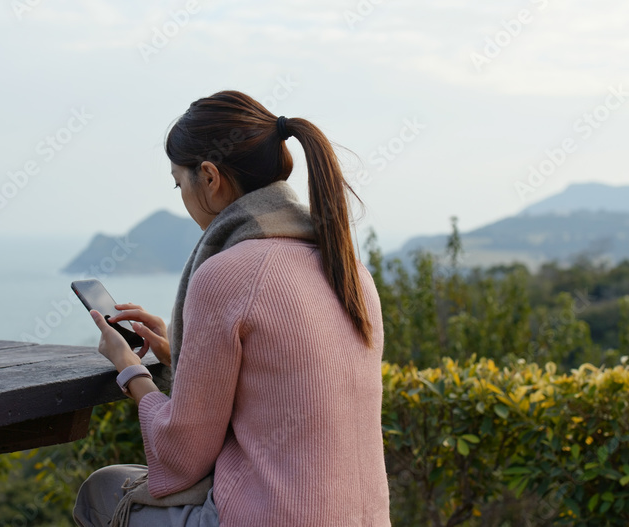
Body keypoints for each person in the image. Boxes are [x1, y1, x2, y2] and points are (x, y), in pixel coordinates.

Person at [72, 90, 391, 526]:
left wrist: (129, 369)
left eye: (178, 182)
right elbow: (281, 382)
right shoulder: (348, 268)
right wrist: (176, 355)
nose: (181, 197)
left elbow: (182, 453)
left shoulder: (227, 273)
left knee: (102, 491)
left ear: (208, 176)